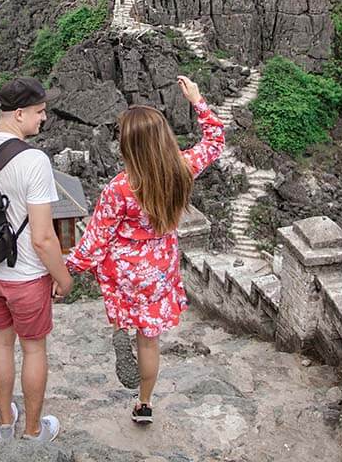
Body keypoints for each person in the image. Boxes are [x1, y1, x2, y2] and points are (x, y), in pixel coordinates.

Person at [65, 75, 224, 424]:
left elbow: (95, 240)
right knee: (149, 341)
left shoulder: (119, 188)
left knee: (120, 292)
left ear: (128, 146)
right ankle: (145, 402)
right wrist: (197, 99)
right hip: (160, 266)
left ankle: (120, 326)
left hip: (124, 272)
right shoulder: (181, 168)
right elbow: (214, 141)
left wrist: (67, 270)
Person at [0, 77, 73, 442]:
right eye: (39, 112)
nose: (44, 118)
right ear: (19, 114)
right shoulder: (34, 160)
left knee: (0, 342)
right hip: (25, 277)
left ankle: (6, 423)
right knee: (33, 348)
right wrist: (64, 278)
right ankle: (34, 432)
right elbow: (43, 237)